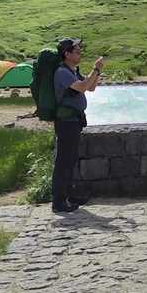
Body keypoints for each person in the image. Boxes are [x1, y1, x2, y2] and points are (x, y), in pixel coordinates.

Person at [52, 36, 103, 214]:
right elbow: (82, 87)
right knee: (64, 161)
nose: (80, 52)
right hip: (66, 122)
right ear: (67, 54)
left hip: (74, 121)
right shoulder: (62, 72)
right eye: (76, 50)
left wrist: (97, 72)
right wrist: (95, 69)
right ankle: (59, 202)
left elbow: (90, 87)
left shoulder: (72, 71)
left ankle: (69, 195)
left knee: (71, 159)